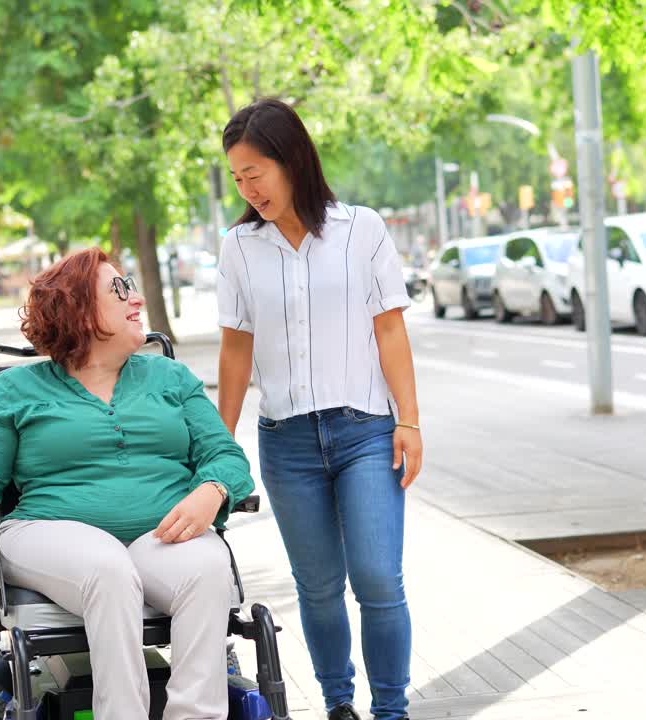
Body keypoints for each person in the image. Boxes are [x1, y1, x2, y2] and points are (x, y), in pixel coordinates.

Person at [0, 248, 254, 720]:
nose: (136, 297)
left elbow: (226, 456)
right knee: (108, 568)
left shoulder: (171, 377)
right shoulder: (17, 390)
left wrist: (213, 490)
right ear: (78, 310)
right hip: (47, 532)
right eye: (119, 288)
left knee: (208, 567)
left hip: (158, 535)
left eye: (132, 283)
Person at [215, 98, 423, 720]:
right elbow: (235, 352)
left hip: (365, 431)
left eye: (257, 173)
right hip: (287, 442)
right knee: (320, 589)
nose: (248, 188)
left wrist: (410, 421)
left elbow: (390, 330)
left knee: (378, 579)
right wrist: (219, 450)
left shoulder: (362, 229)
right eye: (237, 178)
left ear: (292, 160)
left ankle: (392, 711)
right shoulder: (239, 248)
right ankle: (339, 706)